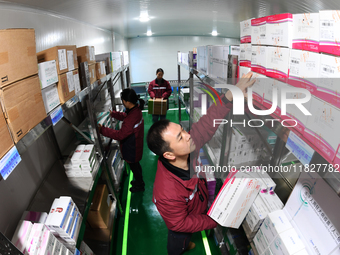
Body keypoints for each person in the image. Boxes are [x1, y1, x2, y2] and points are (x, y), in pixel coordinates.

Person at [147, 73, 255, 255]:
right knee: (178, 240)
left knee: (187, 234)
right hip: (182, 224)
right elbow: (180, 223)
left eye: (182, 130)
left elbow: (205, 125)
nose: (188, 135)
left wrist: (229, 96)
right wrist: (215, 220)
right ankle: (179, 249)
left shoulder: (188, 148)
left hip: (196, 206)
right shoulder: (167, 192)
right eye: (180, 137)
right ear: (169, 154)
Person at [99, 88, 145, 192]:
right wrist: (114, 114)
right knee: (136, 165)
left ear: (127, 102)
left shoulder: (132, 116)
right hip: (135, 144)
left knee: (135, 167)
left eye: (123, 101)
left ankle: (140, 185)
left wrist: (102, 130)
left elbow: (120, 135)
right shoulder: (135, 110)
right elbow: (125, 117)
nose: (123, 103)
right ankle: (139, 181)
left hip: (132, 147)